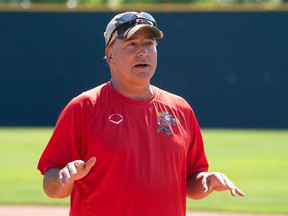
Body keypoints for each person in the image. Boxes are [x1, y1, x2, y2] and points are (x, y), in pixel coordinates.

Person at [37, 11, 245, 216]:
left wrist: (206, 181)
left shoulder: (180, 109)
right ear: (110, 55)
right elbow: (51, 186)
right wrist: (65, 177)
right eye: (132, 44)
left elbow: (191, 181)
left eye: (149, 44)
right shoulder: (84, 108)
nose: (143, 52)